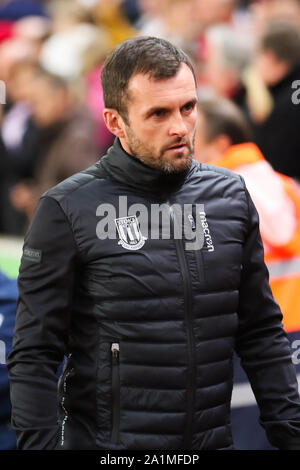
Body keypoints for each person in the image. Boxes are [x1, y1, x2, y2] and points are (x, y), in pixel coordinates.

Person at [7, 36, 300, 451]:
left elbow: (260, 332)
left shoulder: (231, 195)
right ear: (114, 122)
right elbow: (34, 354)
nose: (179, 126)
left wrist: (292, 433)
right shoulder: (67, 209)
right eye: (158, 113)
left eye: (188, 108)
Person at [194, 95, 300, 448]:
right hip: (286, 338)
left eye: (191, 140)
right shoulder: (286, 185)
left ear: (219, 144)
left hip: (252, 341)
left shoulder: (218, 195)